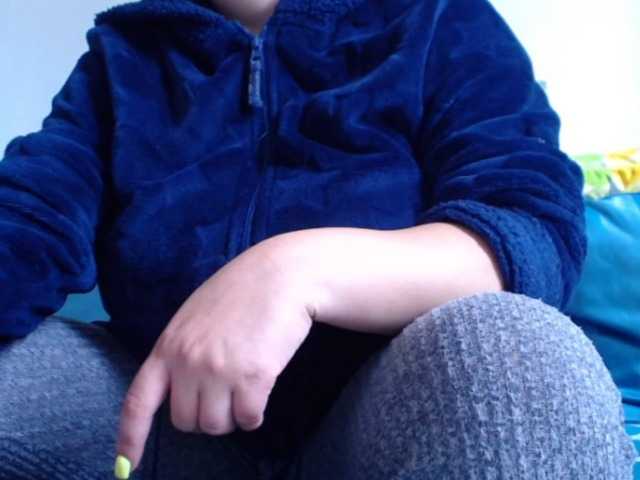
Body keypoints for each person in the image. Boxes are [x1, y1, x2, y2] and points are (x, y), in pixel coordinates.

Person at [0, 0, 637, 478]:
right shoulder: (121, 57)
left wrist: (293, 272)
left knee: (518, 352)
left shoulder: (441, 18)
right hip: (164, 418)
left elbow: (529, 227)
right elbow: (30, 219)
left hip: (383, 415)